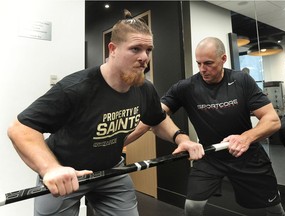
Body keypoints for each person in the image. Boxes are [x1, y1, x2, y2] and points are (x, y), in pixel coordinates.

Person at [7, 9, 203, 216]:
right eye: (135, 49)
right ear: (113, 49)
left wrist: (181, 138)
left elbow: (157, 119)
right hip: (66, 173)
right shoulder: (75, 88)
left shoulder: (144, 88)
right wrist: (50, 169)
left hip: (111, 171)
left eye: (148, 50)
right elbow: (20, 129)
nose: (144, 57)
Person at [159, 37, 285, 216]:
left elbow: (272, 120)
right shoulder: (186, 87)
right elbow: (156, 116)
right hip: (210, 155)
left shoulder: (241, 80)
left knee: (274, 207)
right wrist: (180, 137)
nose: (203, 69)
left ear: (223, 59)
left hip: (247, 155)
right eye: (199, 63)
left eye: (208, 63)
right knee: (192, 206)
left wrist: (246, 137)